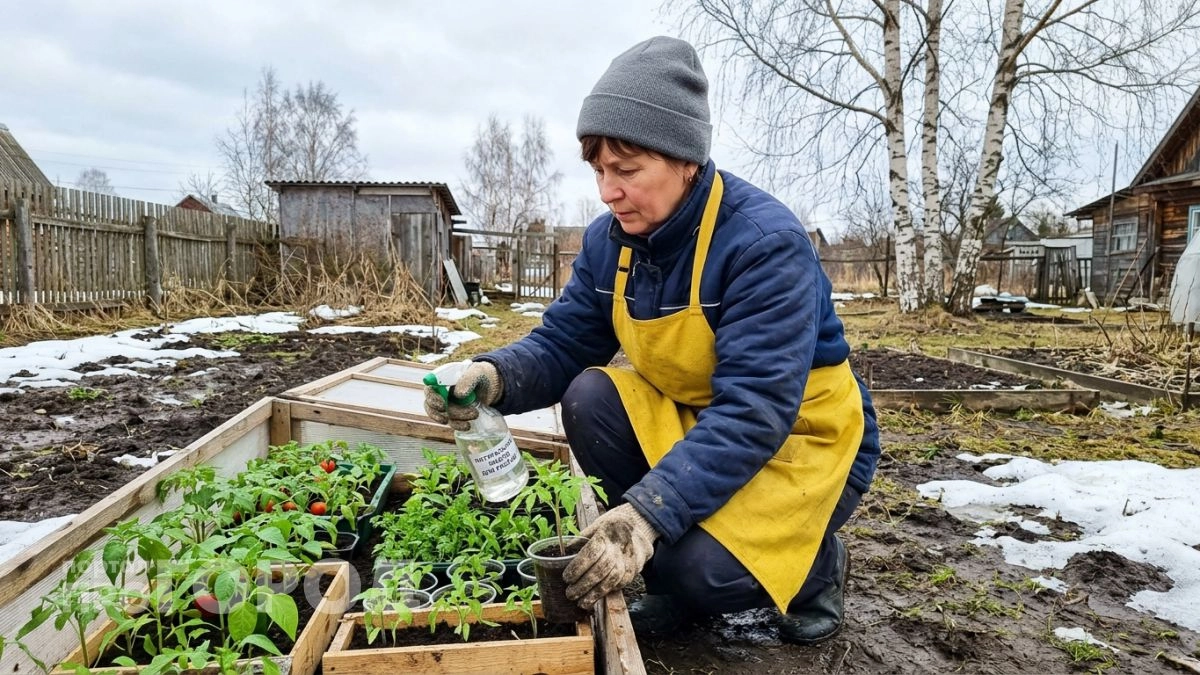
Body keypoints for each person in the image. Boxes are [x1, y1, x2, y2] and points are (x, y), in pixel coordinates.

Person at [424, 35, 880, 645]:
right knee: (590, 394)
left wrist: (643, 517)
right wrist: (493, 377)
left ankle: (816, 566)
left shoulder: (762, 245)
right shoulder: (609, 241)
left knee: (699, 571)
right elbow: (564, 345)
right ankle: (671, 581)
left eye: (627, 171)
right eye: (599, 170)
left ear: (685, 160)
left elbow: (754, 412)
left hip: (799, 438)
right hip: (695, 418)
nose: (607, 191)